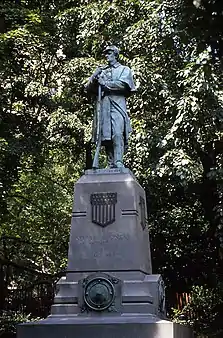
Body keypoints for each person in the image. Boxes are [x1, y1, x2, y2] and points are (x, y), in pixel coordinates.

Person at [85, 45, 136, 168]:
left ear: (115, 55)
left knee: (118, 132)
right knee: (105, 135)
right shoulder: (102, 71)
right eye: (105, 54)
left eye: (109, 53)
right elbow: (87, 88)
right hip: (104, 106)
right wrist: (94, 77)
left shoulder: (124, 69)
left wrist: (105, 84)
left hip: (117, 104)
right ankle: (111, 164)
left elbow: (124, 85)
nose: (106, 56)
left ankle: (119, 161)